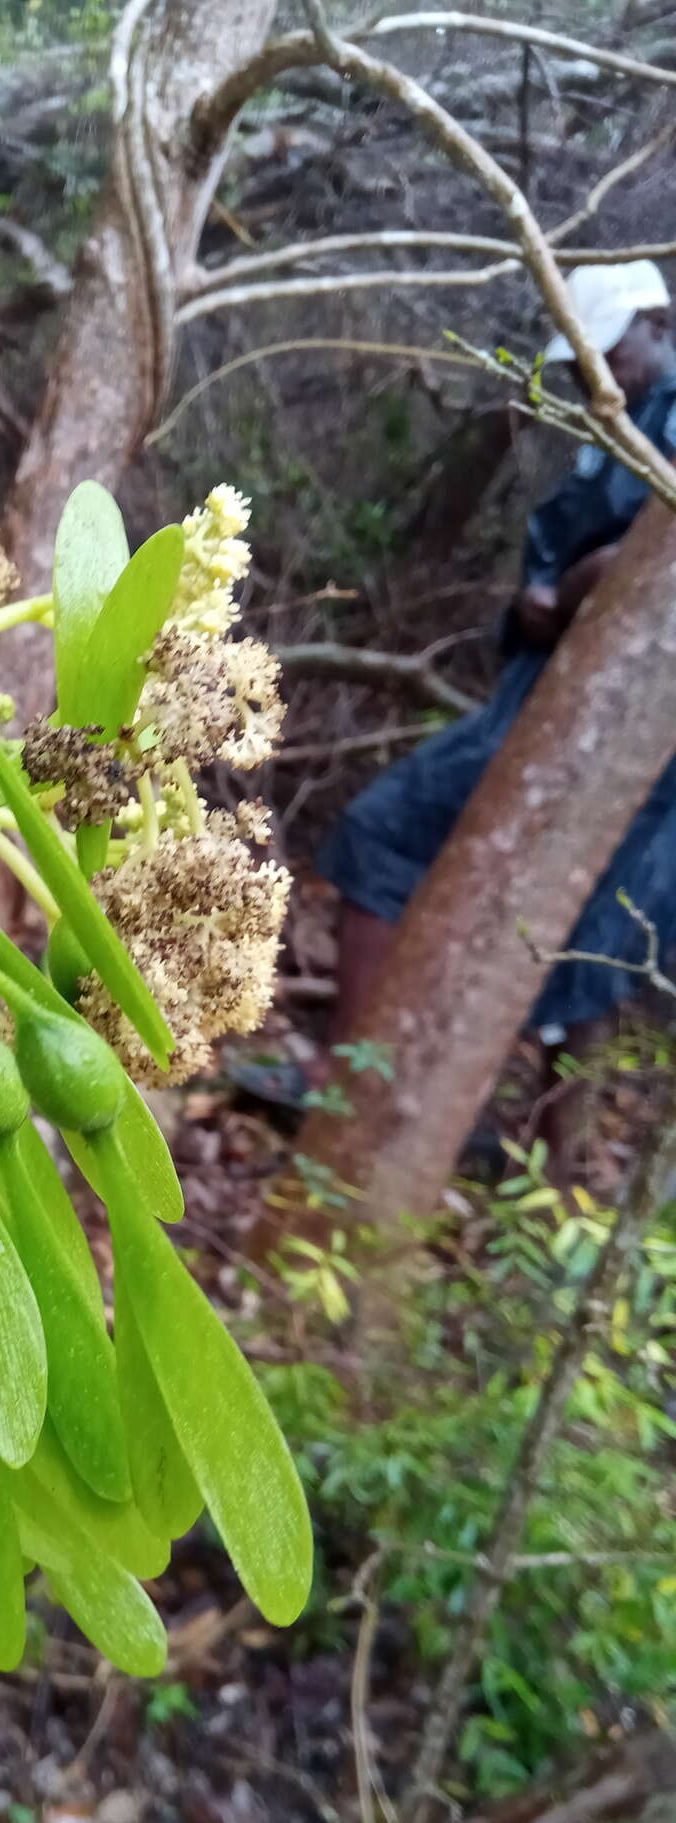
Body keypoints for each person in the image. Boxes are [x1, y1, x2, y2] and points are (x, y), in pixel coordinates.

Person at [313, 259, 676, 1169]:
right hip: (545, 704)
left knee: (576, 934)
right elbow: (552, 568)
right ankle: (374, 1101)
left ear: (657, 327)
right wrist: (537, 600)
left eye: (610, 355)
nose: (599, 377)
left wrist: (587, 582)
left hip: (621, 740)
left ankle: (549, 1173)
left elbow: (638, 561)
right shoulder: (614, 428)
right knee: (557, 921)